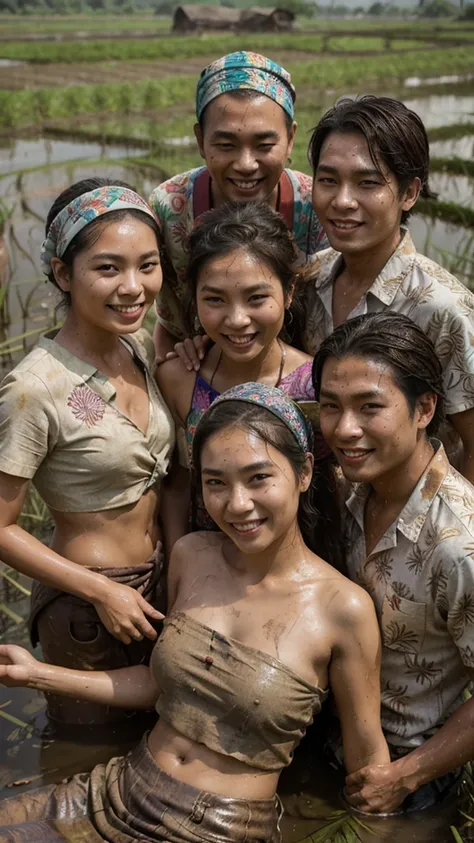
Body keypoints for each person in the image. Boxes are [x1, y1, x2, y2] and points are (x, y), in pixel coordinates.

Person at [0, 383, 390, 841]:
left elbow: (367, 762)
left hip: (213, 826)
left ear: (304, 473)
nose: (237, 504)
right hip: (119, 786)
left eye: (259, 478)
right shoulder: (192, 555)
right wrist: (35, 673)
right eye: (216, 483)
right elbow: (159, 684)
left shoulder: (342, 608)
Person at [0, 178, 175, 727]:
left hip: (156, 583)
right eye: (108, 268)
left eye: (147, 265)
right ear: (62, 274)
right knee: (82, 757)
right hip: (86, 608)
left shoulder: (139, 348)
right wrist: (101, 592)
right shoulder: (35, 387)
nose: (133, 287)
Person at [312, 311, 474, 814]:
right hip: (324, 745)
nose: (345, 429)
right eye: (331, 406)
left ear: (425, 408)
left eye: (369, 407)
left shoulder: (459, 544)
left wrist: (404, 777)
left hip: (407, 785)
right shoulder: (345, 490)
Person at [304, 94, 474, 483]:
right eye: (328, 180)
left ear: (409, 193)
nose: (343, 201)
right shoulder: (310, 279)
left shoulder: (443, 308)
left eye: (367, 183)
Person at [156, 201, 332, 548]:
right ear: (193, 298)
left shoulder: (316, 385)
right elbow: (176, 486)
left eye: (256, 298)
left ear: (289, 292)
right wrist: (178, 568)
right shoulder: (179, 377)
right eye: (215, 300)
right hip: (204, 560)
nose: (237, 319)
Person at [149, 50, 327, 360]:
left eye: (264, 145)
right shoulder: (170, 209)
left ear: (291, 138)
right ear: (200, 140)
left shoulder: (318, 207)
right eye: (226, 145)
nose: (246, 164)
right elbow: (170, 327)